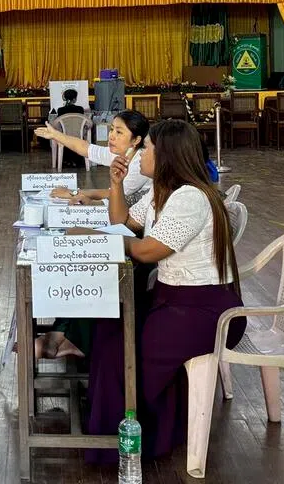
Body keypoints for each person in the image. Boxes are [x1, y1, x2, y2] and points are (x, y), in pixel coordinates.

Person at [83, 120, 244, 465]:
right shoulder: (163, 190)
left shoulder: (190, 198)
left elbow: (144, 251)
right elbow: (122, 221)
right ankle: (111, 426)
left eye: (148, 148)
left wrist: (100, 237)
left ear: (166, 155)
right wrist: (116, 184)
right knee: (110, 330)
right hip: (174, 302)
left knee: (124, 351)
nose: (141, 154)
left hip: (205, 311)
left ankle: (135, 437)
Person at [33, 111, 151, 359]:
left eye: (119, 132)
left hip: (137, 246)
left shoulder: (140, 164)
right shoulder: (124, 156)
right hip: (129, 229)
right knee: (76, 242)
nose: (111, 136)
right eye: (111, 129)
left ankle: (69, 336)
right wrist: (56, 135)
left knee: (84, 256)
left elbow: (113, 198)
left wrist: (77, 193)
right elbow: (86, 148)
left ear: (136, 141)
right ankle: (63, 332)